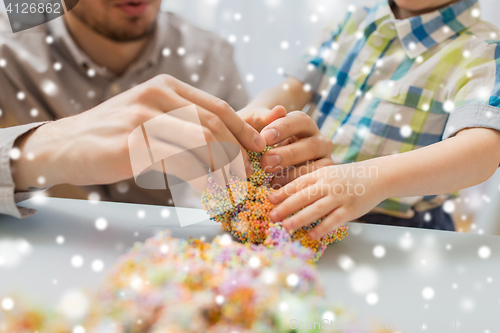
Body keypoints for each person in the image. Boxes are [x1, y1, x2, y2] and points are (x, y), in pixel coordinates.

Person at [0, 0, 332, 218]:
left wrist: (270, 178)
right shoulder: (8, 46)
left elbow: (226, 198)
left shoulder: (212, 56)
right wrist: (39, 150)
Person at [238, 0, 500, 234]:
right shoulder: (352, 21)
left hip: (399, 225)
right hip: (310, 202)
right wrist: (258, 112)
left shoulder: (484, 50)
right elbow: (294, 88)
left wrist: (373, 179)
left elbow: (482, 152)